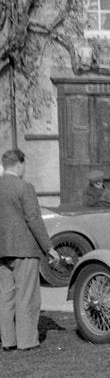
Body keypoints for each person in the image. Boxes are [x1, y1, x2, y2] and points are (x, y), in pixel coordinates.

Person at [1, 148, 61, 352]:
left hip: (2, 251)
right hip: (24, 249)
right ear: (19, 164)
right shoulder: (25, 187)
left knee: (5, 297)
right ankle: (27, 341)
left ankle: (8, 341)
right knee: (26, 296)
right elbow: (33, 220)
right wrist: (49, 248)